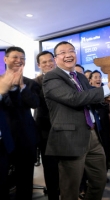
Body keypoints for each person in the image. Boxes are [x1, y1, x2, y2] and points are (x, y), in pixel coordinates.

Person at [43, 41, 110, 200]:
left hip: (92, 135)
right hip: (70, 139)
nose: (68, 54)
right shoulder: (51, 77)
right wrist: (106, 89)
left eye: (71, 51)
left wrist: (103, 99)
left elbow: (88, 96)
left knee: (99, 179)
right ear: (56, 59)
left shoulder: (79, 76)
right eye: (63, 52)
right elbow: (74, 99)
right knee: (71, 188)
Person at [2, 46, 40, 199]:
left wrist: (22, 87)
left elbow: (35, 103)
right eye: (15, 57)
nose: (19, 60)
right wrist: (8, 87)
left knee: (25, 177)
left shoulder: (30, 83)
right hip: (4, 137)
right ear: (5, 59)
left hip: (26, 135)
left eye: (22, 58)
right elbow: (6, 105)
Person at [34, 51, 59, 200]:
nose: (48, 64)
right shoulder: (35, 83)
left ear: (55, 61)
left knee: (66, 167)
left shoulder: (64, 79)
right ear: (39, 65)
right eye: (44, 62)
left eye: (50, 61)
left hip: (66, 130)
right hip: (45, 131)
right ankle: (53, 196)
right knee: (50, 167)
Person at [0, 67, 23, 200]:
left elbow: (14, 105)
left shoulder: (2, 82)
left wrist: (14, 87)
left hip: (3, 143)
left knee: (3, 183)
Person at [89, 70, 110, 170]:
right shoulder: (88, 92)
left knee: (107, 144)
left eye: (99, 77)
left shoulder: (105, 90)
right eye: (95, 77)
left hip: (104, 123)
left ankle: (108, 162)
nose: (98, 79)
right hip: (93, 125)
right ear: (90, 80)